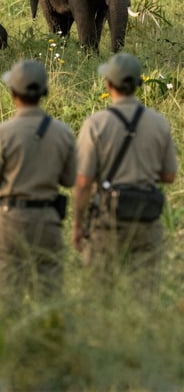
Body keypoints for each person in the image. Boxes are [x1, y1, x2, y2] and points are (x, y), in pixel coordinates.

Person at [0, 60, 76, 306]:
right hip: (48, 220)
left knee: (4, 299)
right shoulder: (63, 132)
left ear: (12, 93)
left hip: (11, 220)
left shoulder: (1, 133)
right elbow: (70, 179)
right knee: (49, 299)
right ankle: (46, 341)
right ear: (44, 92)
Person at [72, 53, 176, 290]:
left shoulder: (96, 123)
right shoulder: (159, 122)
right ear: (140, 84)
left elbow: (83, 181)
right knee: (144, 293)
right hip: (147, 219)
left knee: (100, 294)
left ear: (108, 84)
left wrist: (78, 224)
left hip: (109, 220)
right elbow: (169, 176)